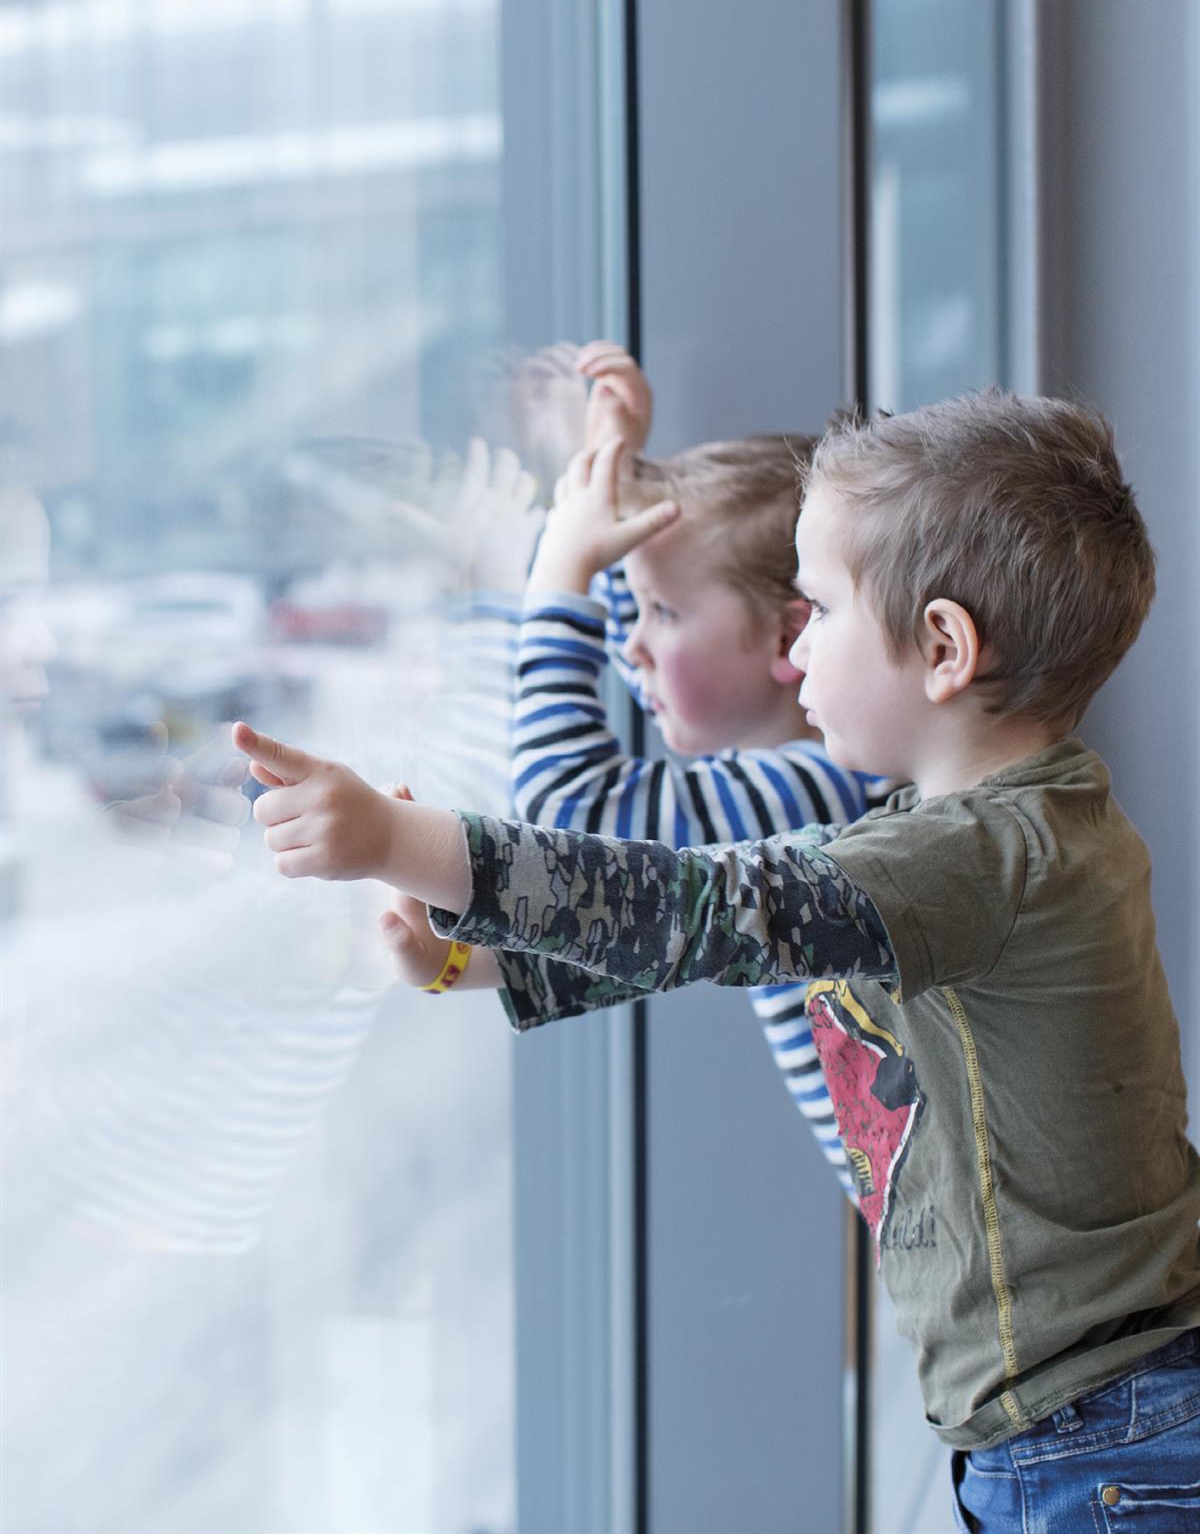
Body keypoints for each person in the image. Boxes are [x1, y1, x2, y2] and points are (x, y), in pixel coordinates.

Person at [235, 389, 1200, 1530]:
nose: (798, 645)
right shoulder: (963, 827)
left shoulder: (983, 853)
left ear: (942, 647)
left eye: (821, 611)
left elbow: (699, 905)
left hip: (1093, 1426)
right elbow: (720, 935)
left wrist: (401, 840)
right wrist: (474, 957)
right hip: (1085, 1412)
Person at [382, 352, 890, 1197]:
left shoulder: (815, 793)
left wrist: (560, 574)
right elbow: (655, 926)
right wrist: (610, 469)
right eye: (632, 604)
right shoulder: (797, 791)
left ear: (783, 639)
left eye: (664, 614)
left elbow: (569, 813)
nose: (630, 645)